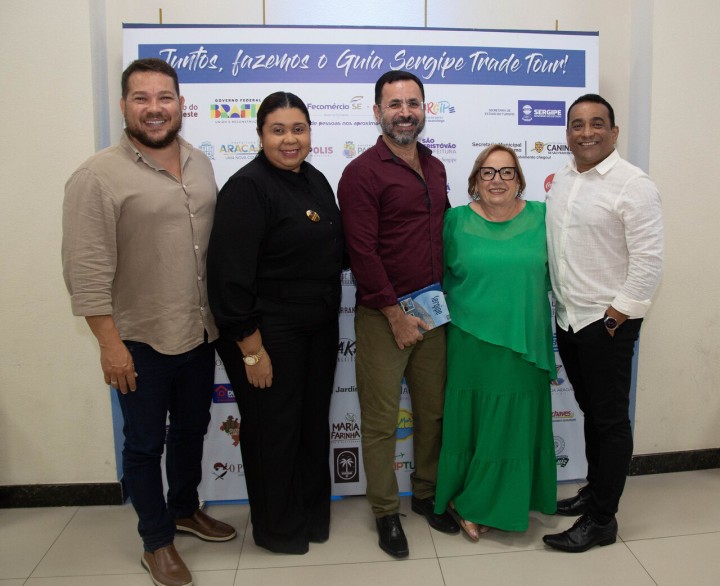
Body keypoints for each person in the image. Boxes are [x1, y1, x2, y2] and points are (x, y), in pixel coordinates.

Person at [62, 58, 236, 586]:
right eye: (141, 98)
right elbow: (86, 271)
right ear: (124, 106)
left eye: (164, 98)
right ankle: (156, 540)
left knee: (191, 429)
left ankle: (183, 509)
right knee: (143, 444)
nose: (154, 108)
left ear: (181, 104)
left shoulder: (200, 162)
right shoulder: (97, 176)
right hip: (138, 339)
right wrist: (109, 345)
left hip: (198, 331)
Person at [207, 92, 344, 555]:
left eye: (298, 129)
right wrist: (251, 350)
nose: (290, 139)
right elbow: (229, 278)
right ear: (260, 135)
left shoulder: (314, 179)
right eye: (278, 130)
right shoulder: (248, 188)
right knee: (274, 431)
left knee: (310, 426)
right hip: (268, 333)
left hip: (317, 328)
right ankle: (278, 529)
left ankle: (310, 518)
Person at [337, 70, 459, 559]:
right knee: (381, 422)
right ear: (377, 112)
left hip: (432, 312)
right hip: (383, 317)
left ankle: (426, 494)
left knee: (433, 412)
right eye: (394, 104)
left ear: (424, 109)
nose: (405, 112)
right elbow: (362, 252)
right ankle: (386, 512)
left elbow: (445, 232)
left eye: (413, 103)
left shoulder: (435, 166)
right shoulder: (362, 173)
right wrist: (394, 314)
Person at [543, 94, 664, 553]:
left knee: (610, 421)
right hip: (569, 320)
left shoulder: (634, 185)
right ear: (567, 133)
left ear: (614, 132)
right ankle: (594, 492)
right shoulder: (564, 179)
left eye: (597, 123)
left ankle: (601, 521)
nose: (586, 132)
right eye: (577, 124)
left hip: (606, 323)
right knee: (593, 413)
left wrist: (616, 317)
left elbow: (649, 262)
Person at [434, 145, 558, 541]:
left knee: (513, 425)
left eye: (507, 172)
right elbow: (432, 274)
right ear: (474, 181)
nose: (497, 180)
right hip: (471, 342)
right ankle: (468, 500)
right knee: (479, 425)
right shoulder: (454, 221)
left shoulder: (543, 217)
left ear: (519, 179)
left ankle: (500, 499)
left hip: (524, 343)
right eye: (488, 172)